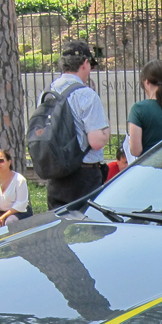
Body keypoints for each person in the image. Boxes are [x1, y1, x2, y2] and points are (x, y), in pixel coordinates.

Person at [43, 40, 111, 209]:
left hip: (57, 173)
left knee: (58, 227)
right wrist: (106, 130)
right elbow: (96, 141)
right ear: (85, 64)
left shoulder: (47, 93)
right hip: (84, 175)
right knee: (89, 229)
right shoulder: (86, 94)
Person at [0, 149, 33, 234]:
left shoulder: (19, 180)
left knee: (11, 222)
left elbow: (20, 204)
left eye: (1, 161)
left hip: (18, 211)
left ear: (9, 162)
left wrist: (4, 217)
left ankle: (14, 246)